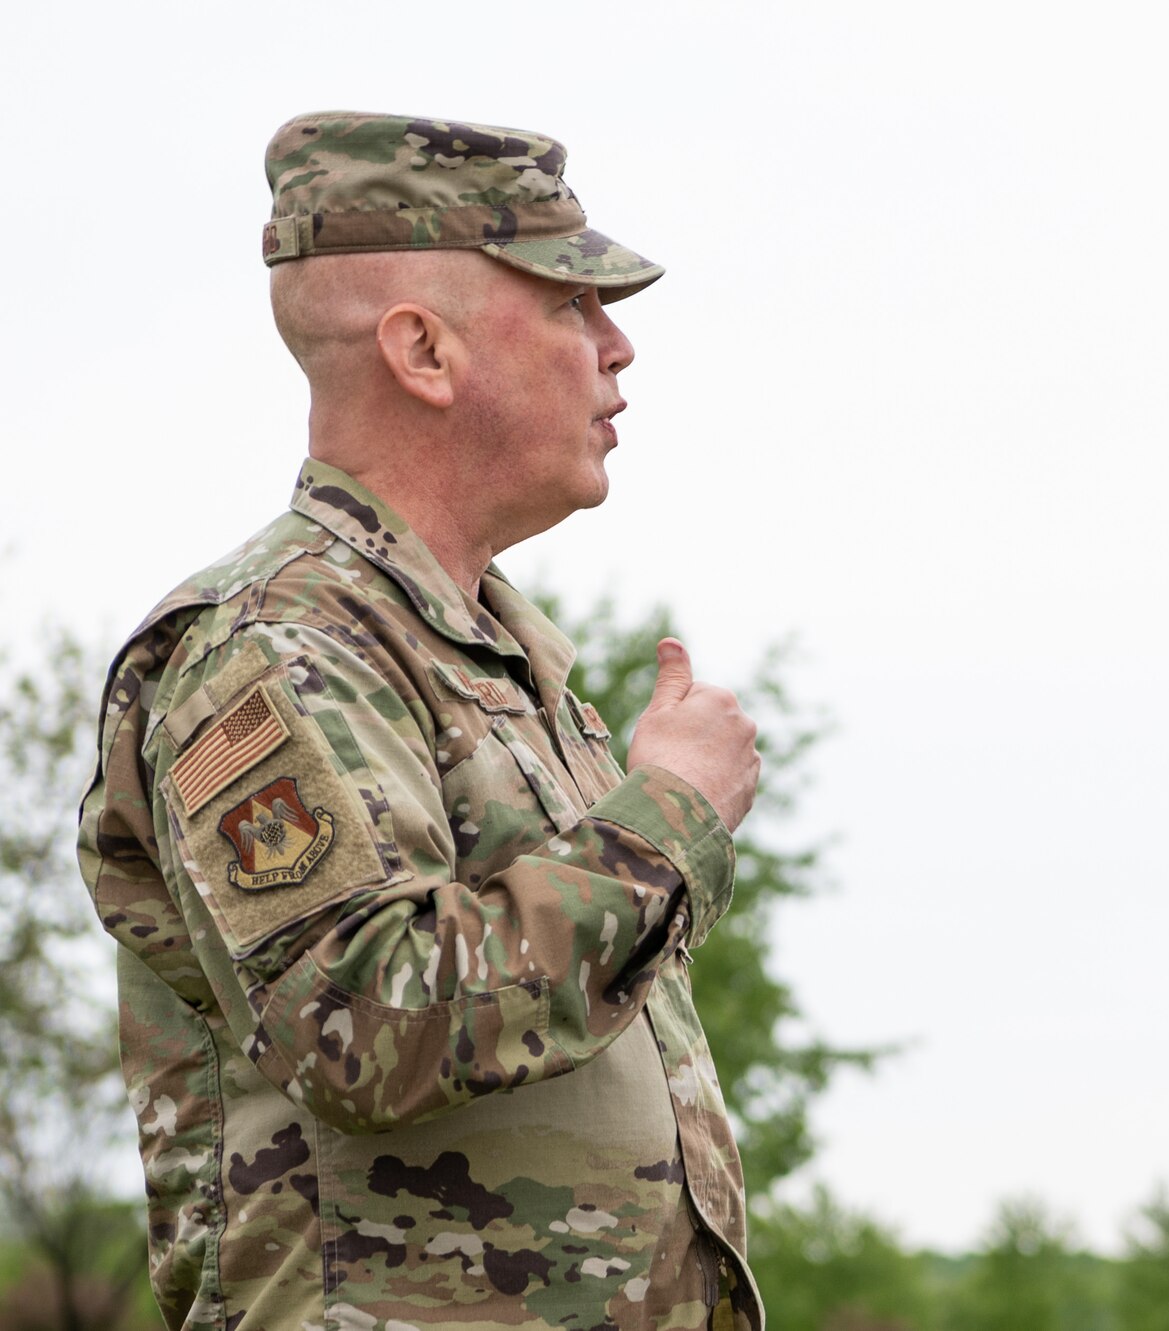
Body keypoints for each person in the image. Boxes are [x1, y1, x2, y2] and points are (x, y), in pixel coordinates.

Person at [77, 112, 766, 1330]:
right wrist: (667, 822)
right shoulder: (276, 644)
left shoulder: (486, 650)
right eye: (569, 305)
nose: (617, 348)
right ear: (423, 352)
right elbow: (364, 1019)